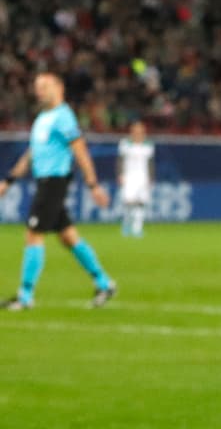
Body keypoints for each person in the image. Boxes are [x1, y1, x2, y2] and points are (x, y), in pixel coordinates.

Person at [0, 72, 114, 310]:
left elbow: (80, 150)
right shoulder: (43, 118)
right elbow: (31, 154)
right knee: (68, 236)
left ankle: (25, 296)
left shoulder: (63, 117)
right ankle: (104, 283)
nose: (39, 91)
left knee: (33, 234)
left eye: (44, 86)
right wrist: (8, 180)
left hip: (54, 182)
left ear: (59, 88)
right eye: (37, 87)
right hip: (45, 181)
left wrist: (92, 184)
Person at [116, 120, 155, 238]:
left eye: (140, 130)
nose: (138, 132)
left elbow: (150, 162)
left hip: (142, 177)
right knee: (128, 202)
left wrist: (151, 177)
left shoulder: (148, 145)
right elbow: (120, 160)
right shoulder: (125, 144)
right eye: (136, 130)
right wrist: (120, 174)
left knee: (141, 202)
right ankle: (127, 225)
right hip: (129, 176)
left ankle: (137, 228)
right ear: (132, 131)